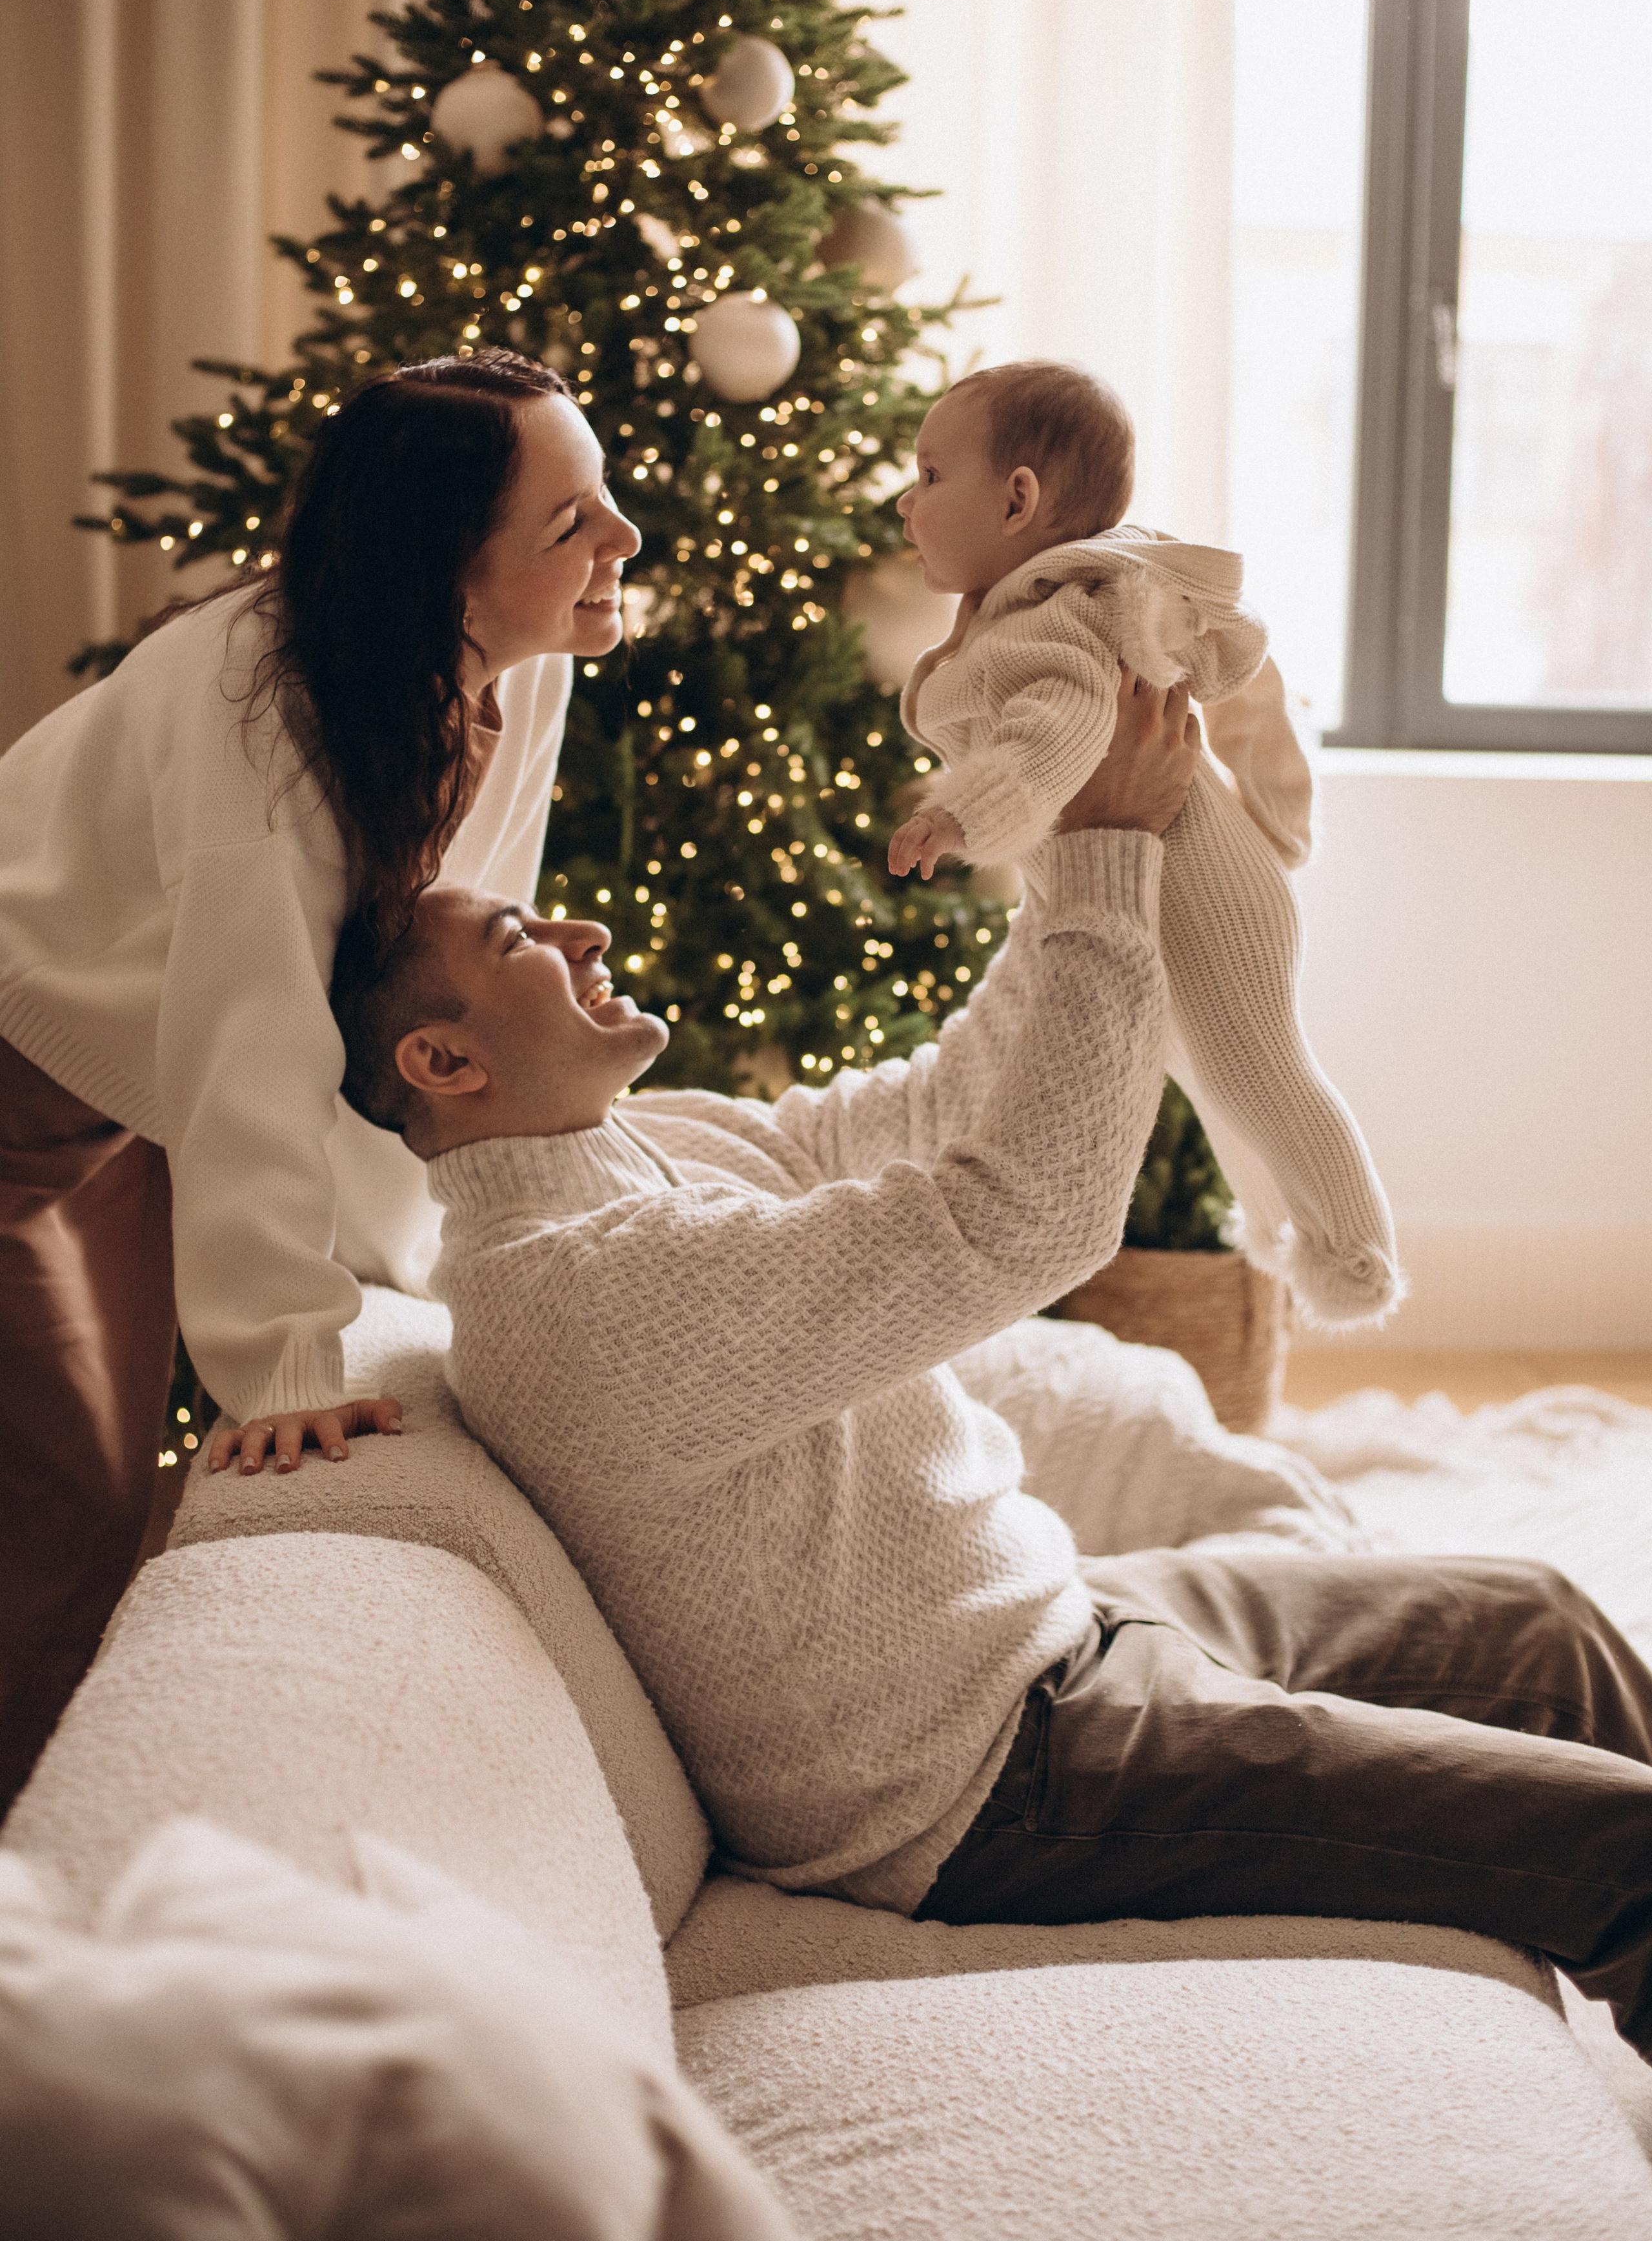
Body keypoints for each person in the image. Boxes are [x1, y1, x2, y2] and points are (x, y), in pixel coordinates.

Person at [247, 683, 1652, 2064]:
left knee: (1536, 1621)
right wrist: (1103, 856)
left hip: (1059, 1629)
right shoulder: (578, 1296)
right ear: (443, 1058)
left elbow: (940, 1104)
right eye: (519, 939)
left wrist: (1076, 850)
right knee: (1619, 1852)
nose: (581, 925)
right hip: (996, 1783)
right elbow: (1027, 1215)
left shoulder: (643, 1143)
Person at [0, 348, 639, 1811]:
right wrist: (286, 1354)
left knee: (89, 1528)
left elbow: (447, 967)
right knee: (63, 1512)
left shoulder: (508, 669)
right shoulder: (264, 709)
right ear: (446, 573)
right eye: (571, 523)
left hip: (114, 1098)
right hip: (22, 1086)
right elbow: (253, 1037)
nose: (621, 543)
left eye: (604, 499)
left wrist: (437, 1254)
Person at [888, 361, 1400, 1331]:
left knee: (1258, 1071)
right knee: (1206, 1079)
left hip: (1203, 895)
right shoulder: (1042, 610)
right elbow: (1233, 700)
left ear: (1018, 499)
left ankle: (1355, 1252)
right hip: (1147, 891)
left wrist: (965, 816)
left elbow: (1059, 734)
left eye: (929, 476)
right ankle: (1277, 1227)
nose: (908, 503)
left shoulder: (1057, 623)